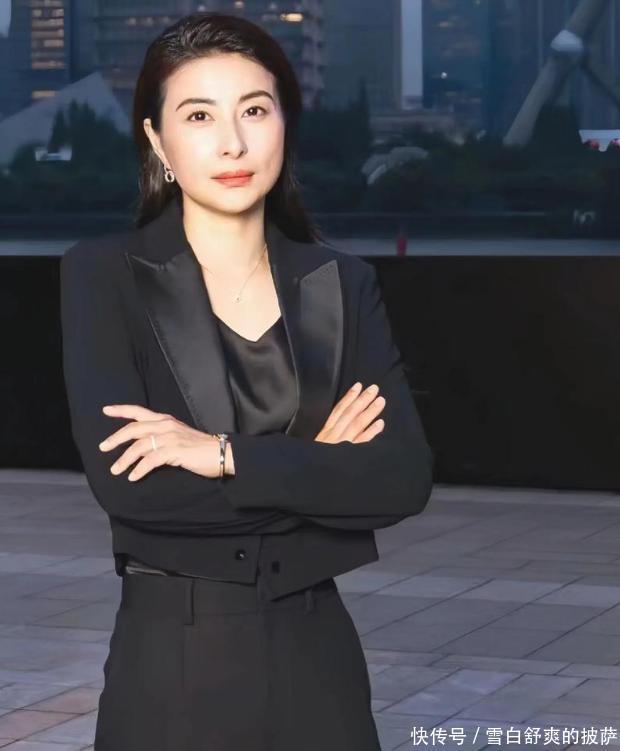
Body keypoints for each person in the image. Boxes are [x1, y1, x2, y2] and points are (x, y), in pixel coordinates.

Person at [59, 11, 433, 751]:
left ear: (283, 124)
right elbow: (133, 489)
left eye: (255, 111)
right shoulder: (103, 276)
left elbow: (401, 480)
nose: (232, 142)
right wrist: (320, 469)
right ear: (158, 142)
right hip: (173, 661)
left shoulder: (343, 282)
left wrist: (224, 454)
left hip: (319, 656)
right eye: (199, 116)